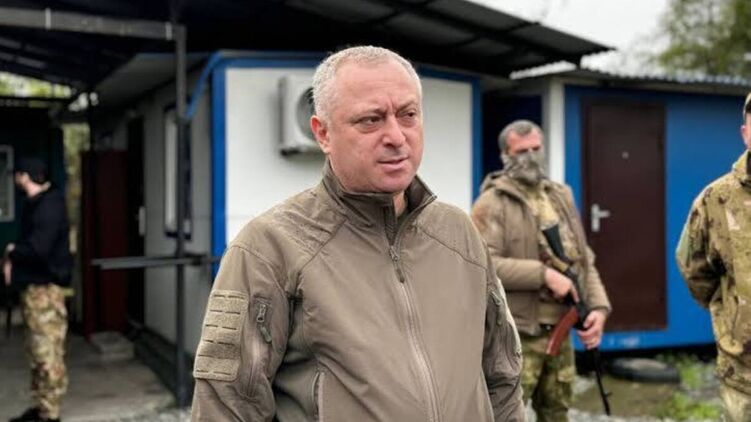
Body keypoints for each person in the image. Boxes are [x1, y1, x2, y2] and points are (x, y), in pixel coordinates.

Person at [190, 46, 525, 421]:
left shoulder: (459, 234)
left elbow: (503, 377)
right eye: (371, 120)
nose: (396, 136)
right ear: (323, 133)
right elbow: (226, 407)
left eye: (408, 114)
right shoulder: (269, 247)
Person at [471, 120, 611, 421]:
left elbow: (583, 259)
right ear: (505, 156)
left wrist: (599, 308)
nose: (532, 157)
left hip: (561, 332)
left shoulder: (561, 196)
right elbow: (483, 264)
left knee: (557, 413)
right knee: (507, 415)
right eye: (522, 152)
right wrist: (543, 275)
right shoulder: (491, 203)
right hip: (516, 336)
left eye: (537, 148)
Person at [676, 93, 751, 422]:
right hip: (744, 373)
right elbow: (694, 271)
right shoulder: (715, 200)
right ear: (745, 134)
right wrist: (734, 317)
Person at [5, 157, 72, 422]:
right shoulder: (37, 204)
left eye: (17, 174)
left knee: (48, 354)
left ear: (25, 176)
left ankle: (51, 414)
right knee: (36, 352)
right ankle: (42, 408)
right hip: (34, 290)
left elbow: (38, 250)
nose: (15, 179)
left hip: (46, 293)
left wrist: (13, 252)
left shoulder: (49, 206)